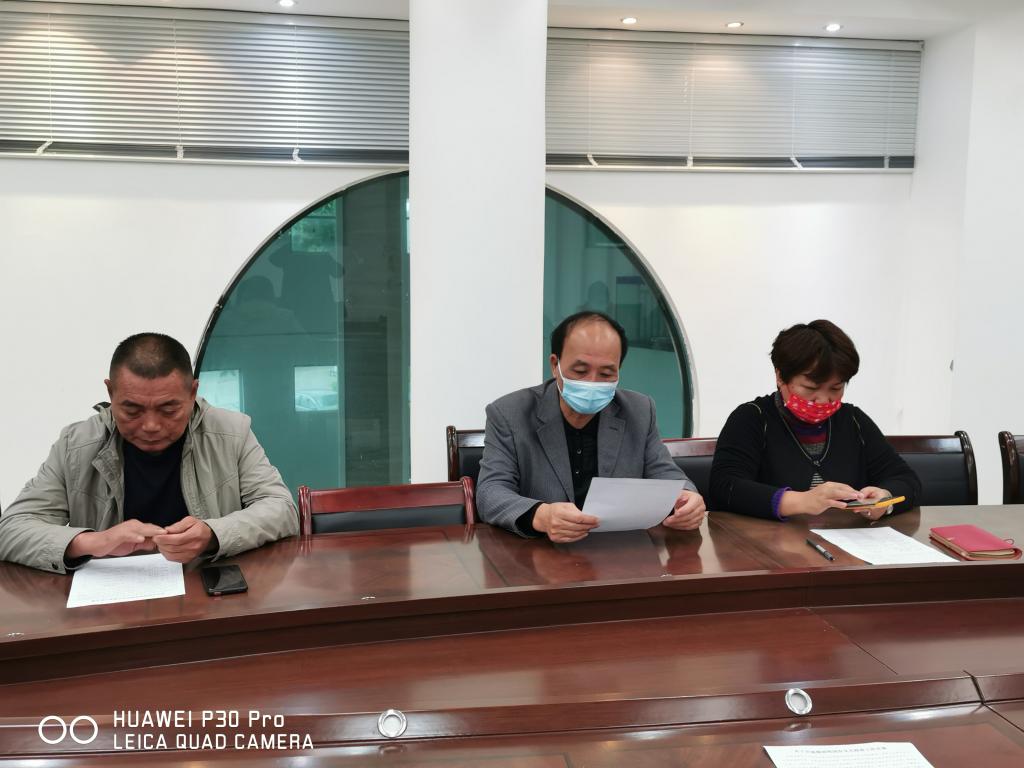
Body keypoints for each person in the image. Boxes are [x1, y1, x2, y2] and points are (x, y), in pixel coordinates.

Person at [0, 333, 299, 573]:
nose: (151, 426)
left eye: (169, 409)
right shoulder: (76, 445)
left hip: (207, 595)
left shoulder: (231, 433)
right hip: (109, 606)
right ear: (110, 393)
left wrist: (212, 533)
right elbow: (11, 529)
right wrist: (94, 542)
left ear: (193, 392)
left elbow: (281, 509)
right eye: (132, 410)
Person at [477, 311, 705, 543]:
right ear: (555, 365)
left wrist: (687, 497)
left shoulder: (639, 410)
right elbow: (490, 492)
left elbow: (665, 473)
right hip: (539, 550)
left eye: (606, 373)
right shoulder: (509, 413)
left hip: (617, 551)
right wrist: (541, 515)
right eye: (580, 371)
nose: (592, 382)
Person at [709, 320, 921, 522]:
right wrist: (800, 501)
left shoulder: (853, 421)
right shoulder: (752, 418)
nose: (823, 400)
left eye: (836, 388)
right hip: (768, 542)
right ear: (780, 376)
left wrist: (885, 499)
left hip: (844, 541)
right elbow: (725, 487)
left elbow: (906, 480)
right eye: (811, 388)